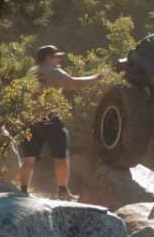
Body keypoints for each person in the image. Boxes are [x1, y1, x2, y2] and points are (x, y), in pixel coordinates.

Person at [18, 45, 102, 200]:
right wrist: (96, 78)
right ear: (48, 58)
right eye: (56, 57)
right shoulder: (53, 71)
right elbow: (74, 83)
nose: (58, 60)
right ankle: (63, 191)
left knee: (29, 158)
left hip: (31, 119)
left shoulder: (31, 72)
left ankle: (22, 191)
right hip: (50, 118)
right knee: (61, 157)